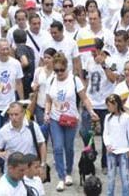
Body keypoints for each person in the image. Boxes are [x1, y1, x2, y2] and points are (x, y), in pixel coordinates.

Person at [44, 53, 99, 191]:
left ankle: (69, 171)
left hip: (71, 119)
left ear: (66, 67)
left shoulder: (74, 80)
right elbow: (48, 100)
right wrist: (46, 112)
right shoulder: (51, 80)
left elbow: (84, 98)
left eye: (61, 70)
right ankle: (61, 176)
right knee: (57, 147)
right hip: (56, 119)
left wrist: (91, 111)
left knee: (69, 147)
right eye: (56, 70)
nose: (59, 73)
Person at [103, 94, 129, 196]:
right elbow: (105, 133)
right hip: (112, 150)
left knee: (125, 176)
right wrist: (107, 144)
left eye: (109, 105)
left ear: (116, 104)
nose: (108, 108)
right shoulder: (107, 118)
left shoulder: (127, 117)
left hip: (123, 150)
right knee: (111, 177)